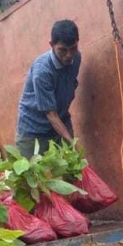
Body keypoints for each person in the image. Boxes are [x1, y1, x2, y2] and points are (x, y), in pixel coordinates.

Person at [15, 19, 81, 158]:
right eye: (63, 50)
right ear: (52, 45)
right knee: (29, 176)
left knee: (72, 171)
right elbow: (51, 115)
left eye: (73, 48)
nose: (69, 55)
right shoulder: (42, 71)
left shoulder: (76, 58)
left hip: (61, 120)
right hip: (33, 131)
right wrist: (72, 144)